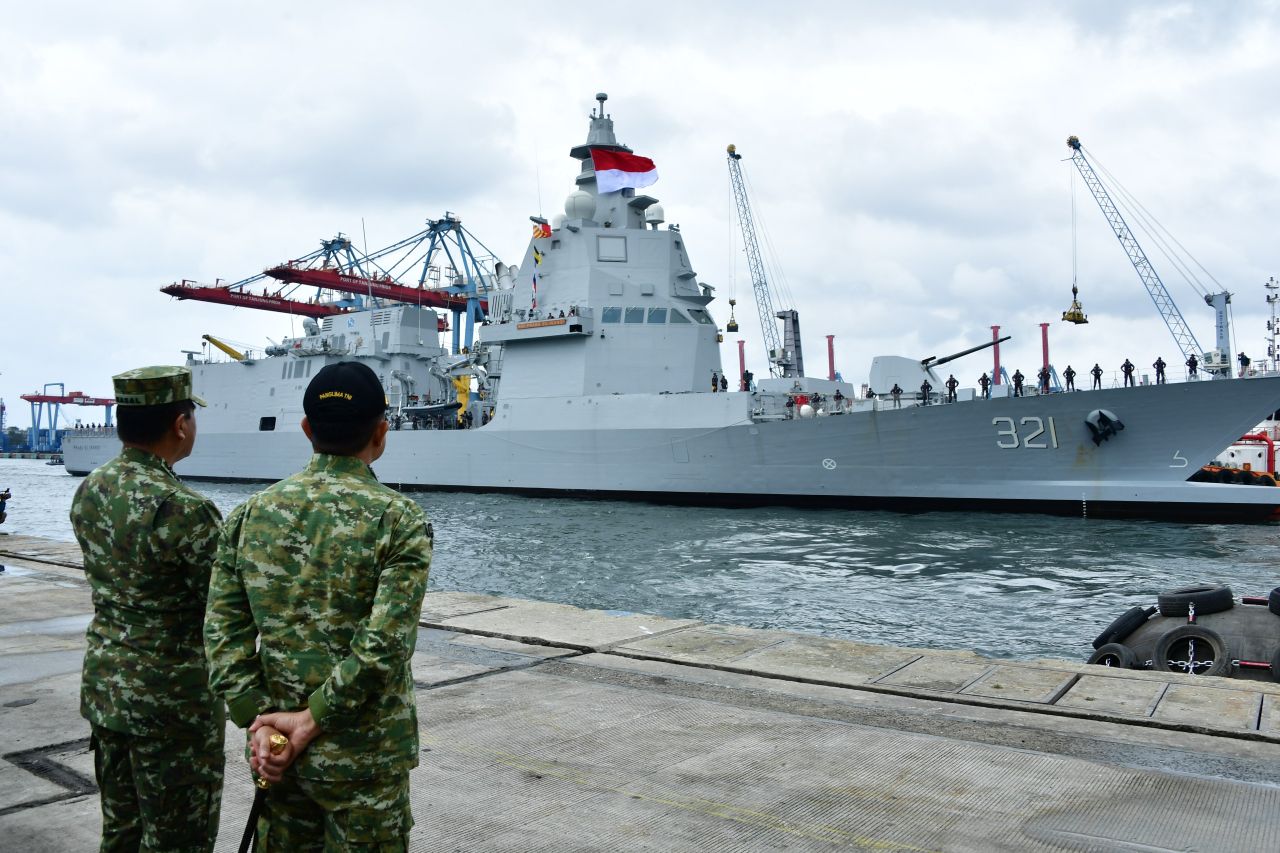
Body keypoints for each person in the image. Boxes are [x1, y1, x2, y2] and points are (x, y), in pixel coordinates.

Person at [205, 362, 433, 850]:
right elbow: (385, 646)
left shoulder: (249, 514)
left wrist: (259, 721)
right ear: (382, 432)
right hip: (364, 760)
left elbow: (222, 632)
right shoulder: (399, 520)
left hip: (278, 755)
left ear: (306, 429)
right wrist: (312, 721)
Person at [69, 366, 225, 851]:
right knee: (179, 840)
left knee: (120, 830)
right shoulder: (183, 507)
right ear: (180, 425)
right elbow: (220, 607)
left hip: (106, 688)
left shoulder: (91, 487)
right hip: (171, 705)